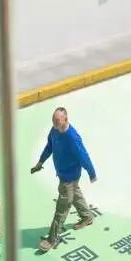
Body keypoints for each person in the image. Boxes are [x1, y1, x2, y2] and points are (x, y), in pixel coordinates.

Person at [31, 107, 97, 252]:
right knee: (75, 194)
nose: (54, 123)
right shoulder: (55, 130)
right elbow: (49, 146)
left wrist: (91, 173)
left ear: (65, 119)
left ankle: (52, 238)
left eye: (57, 121)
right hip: (63, 174)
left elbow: (83, 155)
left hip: (70, 176)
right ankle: (87, 216)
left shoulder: (72, 137)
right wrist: (41, 161)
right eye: (53, 120)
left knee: (62, 208)